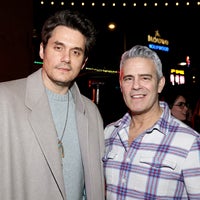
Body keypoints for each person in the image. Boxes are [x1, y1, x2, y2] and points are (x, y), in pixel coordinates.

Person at [0, 10, 105, 200]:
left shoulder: (91, 113)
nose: (66, 58)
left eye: (75, 52)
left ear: (83, 63)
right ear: (42, 50)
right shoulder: (4, 100)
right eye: (58, 47)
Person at [103, 45, 200, 199]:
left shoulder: (190, 142)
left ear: (160, 84)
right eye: (128, 78)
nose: (136, 86)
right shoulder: (109, 133)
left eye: (145, 78)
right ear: (121, 85)